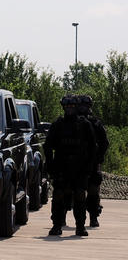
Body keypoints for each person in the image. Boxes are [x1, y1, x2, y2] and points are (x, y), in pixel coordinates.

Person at [44, 95, 97, 237]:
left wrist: (89, 167)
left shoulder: (85, 124)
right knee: (59, 196)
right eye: (67, 107)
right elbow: (48, 146)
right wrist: (50, 166)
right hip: (61, 167)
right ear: (63, 107)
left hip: (80, 168)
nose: (70, 109)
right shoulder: (58, 124)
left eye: (72, 107)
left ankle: (80, 226)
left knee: (80, 196)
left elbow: (93, 147)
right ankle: (56, 225)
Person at [78, 95, 108, 227]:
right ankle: (61, 218)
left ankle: (93, 217)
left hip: (92, 162)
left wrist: (99, 157)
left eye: (86, 105)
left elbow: (104, 143)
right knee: (70, 190)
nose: (84, 108)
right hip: (76, 163)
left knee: (93, 191)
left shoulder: (96, 123)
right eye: (81, 105)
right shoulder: (72, 123)